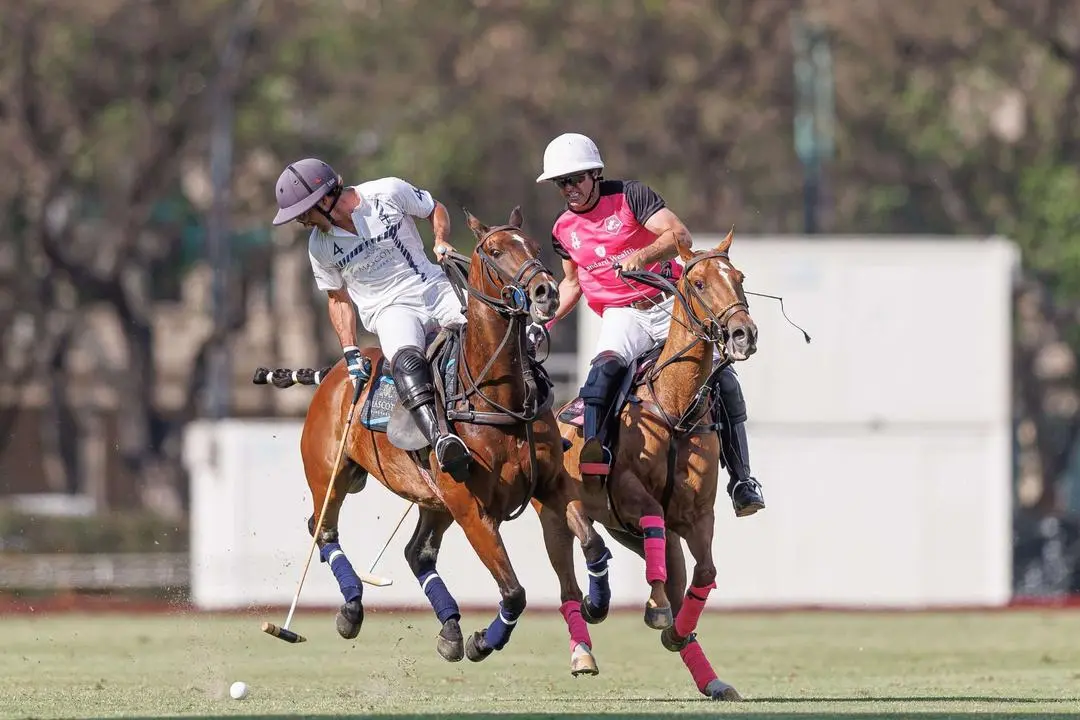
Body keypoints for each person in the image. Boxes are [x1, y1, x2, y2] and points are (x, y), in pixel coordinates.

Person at [536, 133, 765, 517]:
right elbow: (572, 283)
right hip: (622, 315)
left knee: (723, 379)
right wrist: (543, 323)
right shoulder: (562, 230)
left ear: (595, 174)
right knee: (602, 372)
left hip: (669, 304)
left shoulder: (631, 196)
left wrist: (641, 256)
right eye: (562, 183)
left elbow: (680, 234)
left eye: (575, 179)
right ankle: (597, 451)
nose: (569, 189)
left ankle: (742, 479)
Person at [271, 157, 471, 479]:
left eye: (303, 212)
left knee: (490, 331)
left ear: (324, 198)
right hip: (389, 309)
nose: (302, 221)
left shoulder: (387, 192)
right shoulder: (319, 247)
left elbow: (434, 208)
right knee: (406, 361)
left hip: (433, 287)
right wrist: (350, 352)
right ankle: (441, 439)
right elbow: (337, 299)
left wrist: (440, 239)